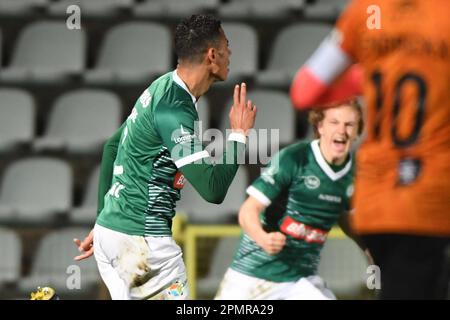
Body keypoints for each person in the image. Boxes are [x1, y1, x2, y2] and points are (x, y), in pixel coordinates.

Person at [72, 14, 257, 300]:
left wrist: (102, 221)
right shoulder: (174, 109)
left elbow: (111, 146)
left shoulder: (159, 87)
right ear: (211, 55)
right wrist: (239, 135)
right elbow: (212, 189)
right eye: (226, 46)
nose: (230, 53)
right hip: (143, 244)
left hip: (113, 235)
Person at [290, 0, 450, 299]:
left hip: (376, 198)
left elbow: (304, 90)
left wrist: (372, 75)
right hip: (430, 197)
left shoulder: (363, 11)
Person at [215, 99, 367, 300]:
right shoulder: (294, 159)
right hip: (253, 277)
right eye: (334, 122)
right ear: (320, 126)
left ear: (357, 132)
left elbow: (346, 216)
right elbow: (247, 211)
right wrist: (263, 238)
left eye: (349, 124)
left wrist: (370, 248)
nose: (342, 130)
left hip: (299, 282)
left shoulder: (355, 174)